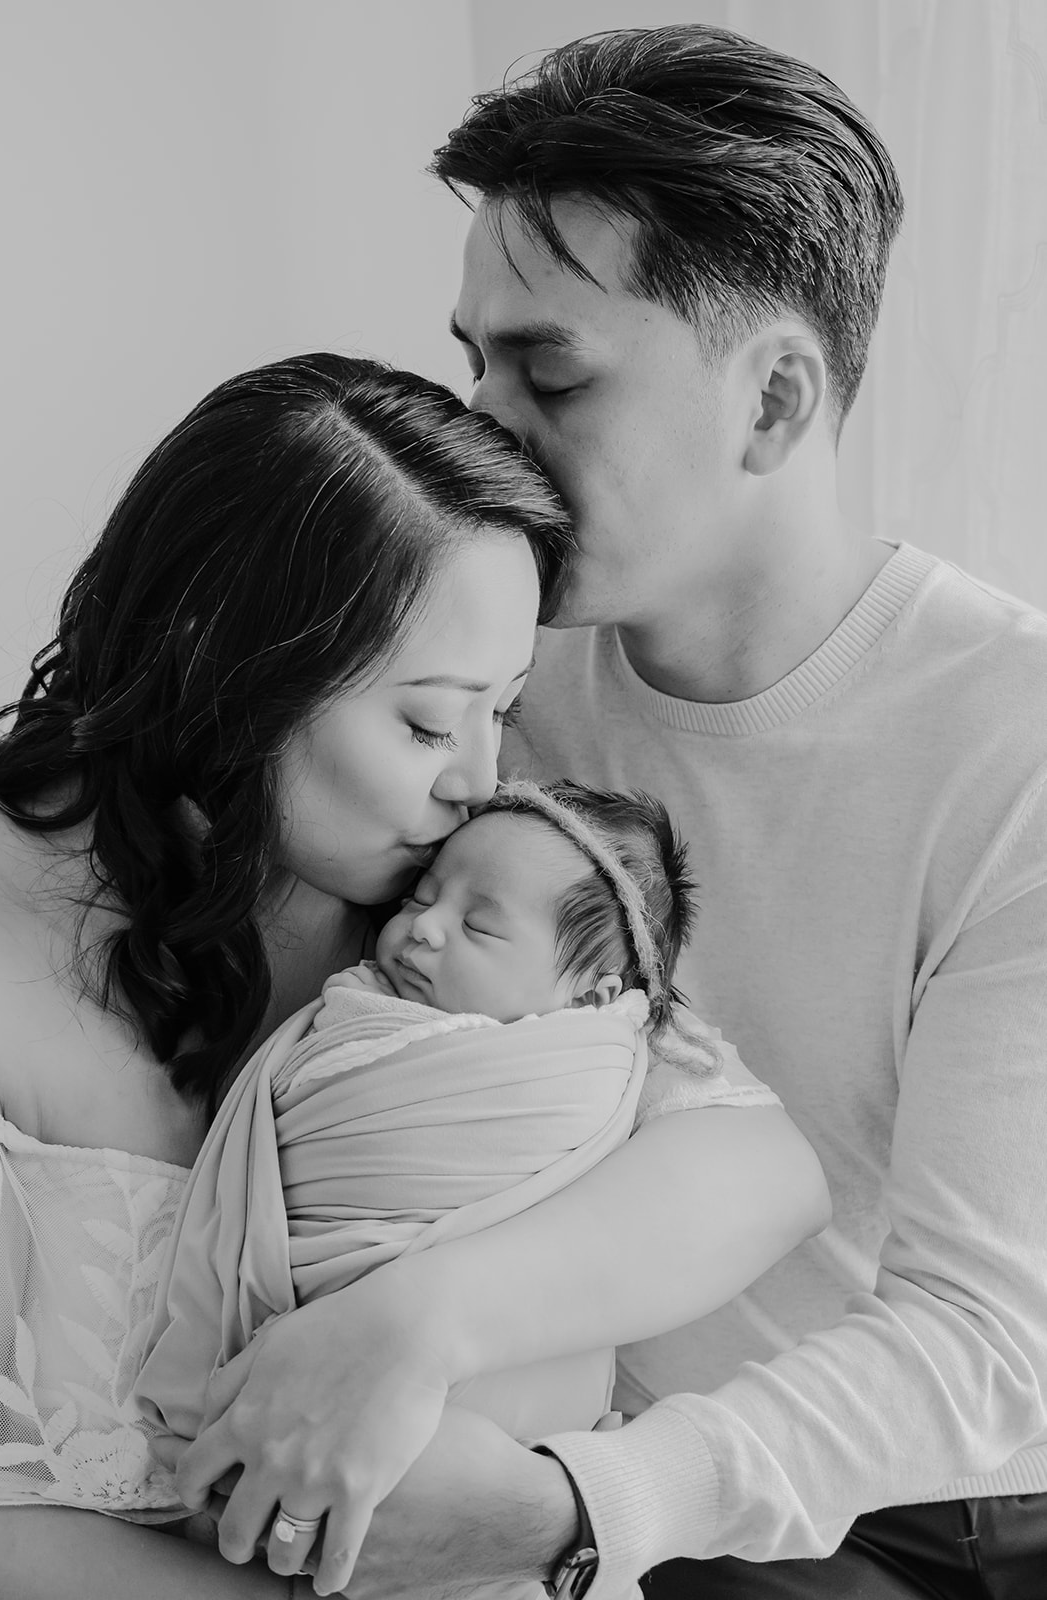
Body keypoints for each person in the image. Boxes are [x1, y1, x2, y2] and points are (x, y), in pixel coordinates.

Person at [168, 21, 1047, 1600]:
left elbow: (990, 1345)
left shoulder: (1012, 745)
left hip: (881, 1513)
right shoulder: (477, 680)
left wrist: (570, 1502)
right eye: (471, 357)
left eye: (547, 371)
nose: (480, 427)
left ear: (772, 402)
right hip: (492, 1427)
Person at [0, 348, 827, 1600]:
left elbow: (760, 1170)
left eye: (505, 709)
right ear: (230, 667)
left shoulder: (441, 896)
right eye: (429, 722)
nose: (479, 778)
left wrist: (412, 1325)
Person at [136, 781, 737, 1479]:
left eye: (478, 926)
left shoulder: (586, 1067)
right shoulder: (358, 1008)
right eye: (421, 898)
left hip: (479, 1401)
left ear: (592, 998)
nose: (422, 927)